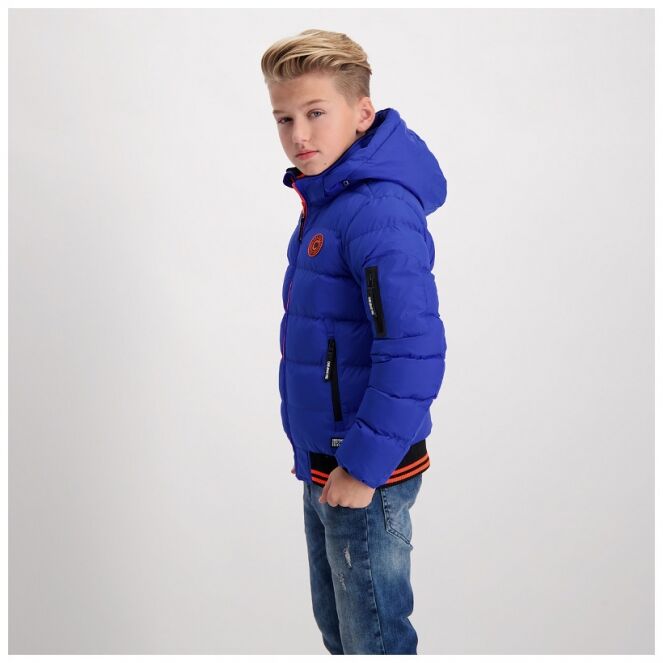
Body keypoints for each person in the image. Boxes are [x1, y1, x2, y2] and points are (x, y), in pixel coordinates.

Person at [261, 28, 447, 655]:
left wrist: (364, 468)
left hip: (366, 469)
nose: (299, 135)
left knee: (374, 641)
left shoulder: (377, 211)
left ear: (362, 114)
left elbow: (414, 350)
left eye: (316, 113)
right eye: (284, 118)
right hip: (327, 464)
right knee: (342, 636)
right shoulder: (330, 202)